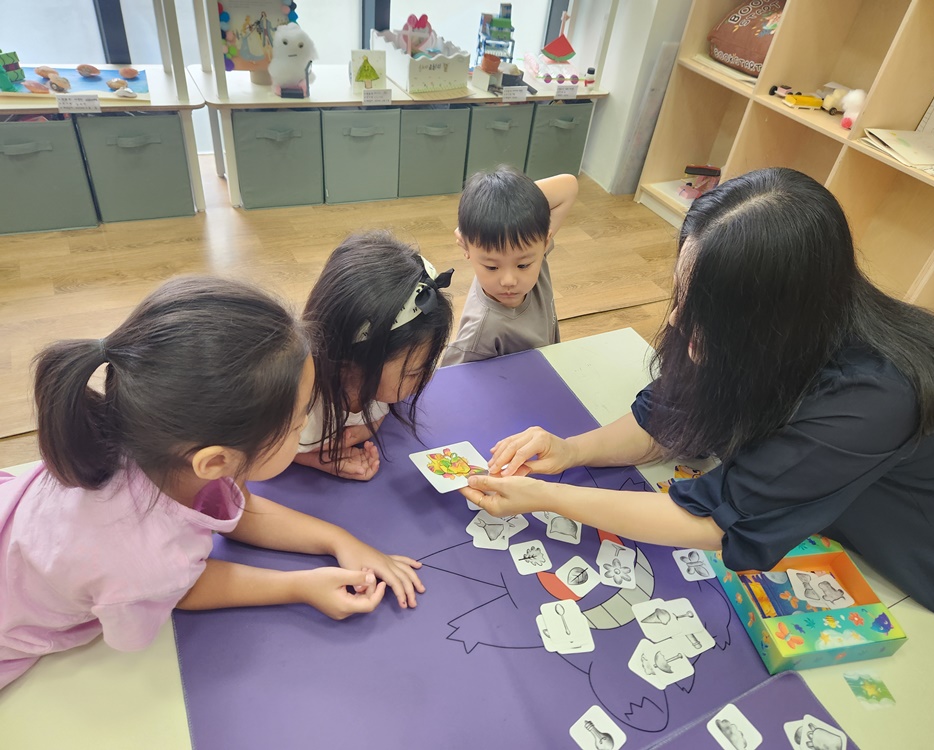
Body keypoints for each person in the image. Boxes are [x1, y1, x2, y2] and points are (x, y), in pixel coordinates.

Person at [461, 167, 934, 653]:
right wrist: (571, 450)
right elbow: (670, 414)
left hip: (927, 571)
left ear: (772, 317)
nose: (677, 319)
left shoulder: (877, 393)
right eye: (681, 293)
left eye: (701, 307)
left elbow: (714, 521)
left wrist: (547, 497)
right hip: (825, 521)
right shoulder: (767, 333)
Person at [0, 277, 424, 691]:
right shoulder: (145, 564)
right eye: (298, 425)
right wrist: (299, 586)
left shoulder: (148, 433)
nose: (305, 431)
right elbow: (180, 589)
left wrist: (337, 540)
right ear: (216, 460)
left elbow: (240, 512)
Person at [295, 231, 453, 480]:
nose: (427, 376)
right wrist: (315, 458)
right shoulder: (299, 414)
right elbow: (262, 454)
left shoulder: (378, 386)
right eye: (413, 373)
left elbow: (383, 408)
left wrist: (366, 429)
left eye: (428, 364)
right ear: (350, 365)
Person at [440, 166, 578, 366]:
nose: (509, 281)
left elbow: (568, 186)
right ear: (467, 249)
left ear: (545, 244)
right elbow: (450, 377)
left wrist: (509, 204)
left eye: (523, 265)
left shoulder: (529, 246)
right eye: (492, 267)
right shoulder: (481, 332)